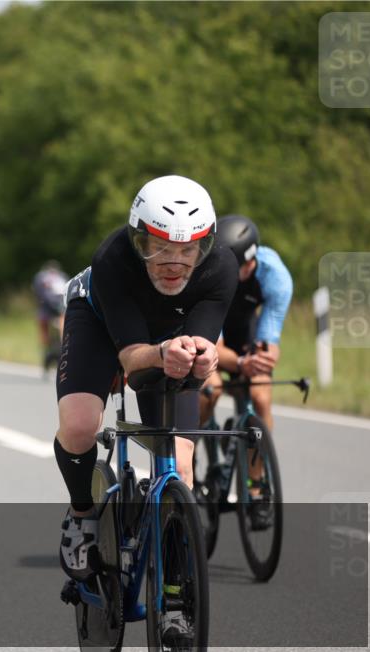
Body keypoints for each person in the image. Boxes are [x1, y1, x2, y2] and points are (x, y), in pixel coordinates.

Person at [54, 175, 237, 583]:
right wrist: (161, 353)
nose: (175, 263)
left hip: (166, 337)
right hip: (101, 325)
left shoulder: (221, 266)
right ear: (140, 241)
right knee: (81, 424)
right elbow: (132, 360)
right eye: (161, 248)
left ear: (205, 244)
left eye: (188, 249)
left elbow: (202, 346)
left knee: (182, 467)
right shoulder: (113, 258)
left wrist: (204, 358)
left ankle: (175, 590)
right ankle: (81, 514)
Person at [198, 214, 292, 528]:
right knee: (210, 389)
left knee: (261, 397)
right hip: (213, 338)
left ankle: (256, 486)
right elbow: (212, 345)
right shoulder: (208, 277)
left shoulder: (274, 275)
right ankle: (190, 451)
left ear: (250, 263)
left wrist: (258, 361)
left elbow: (270, 342)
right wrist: (237, 364)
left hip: (248, 335)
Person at [33, 260, 69, 372]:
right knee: (44, 333)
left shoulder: (62, 277)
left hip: (61, 310)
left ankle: (63, 347)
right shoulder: (42, 278)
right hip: (47, 311)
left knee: (64, 331)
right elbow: (42, 294)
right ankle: (48, 345)